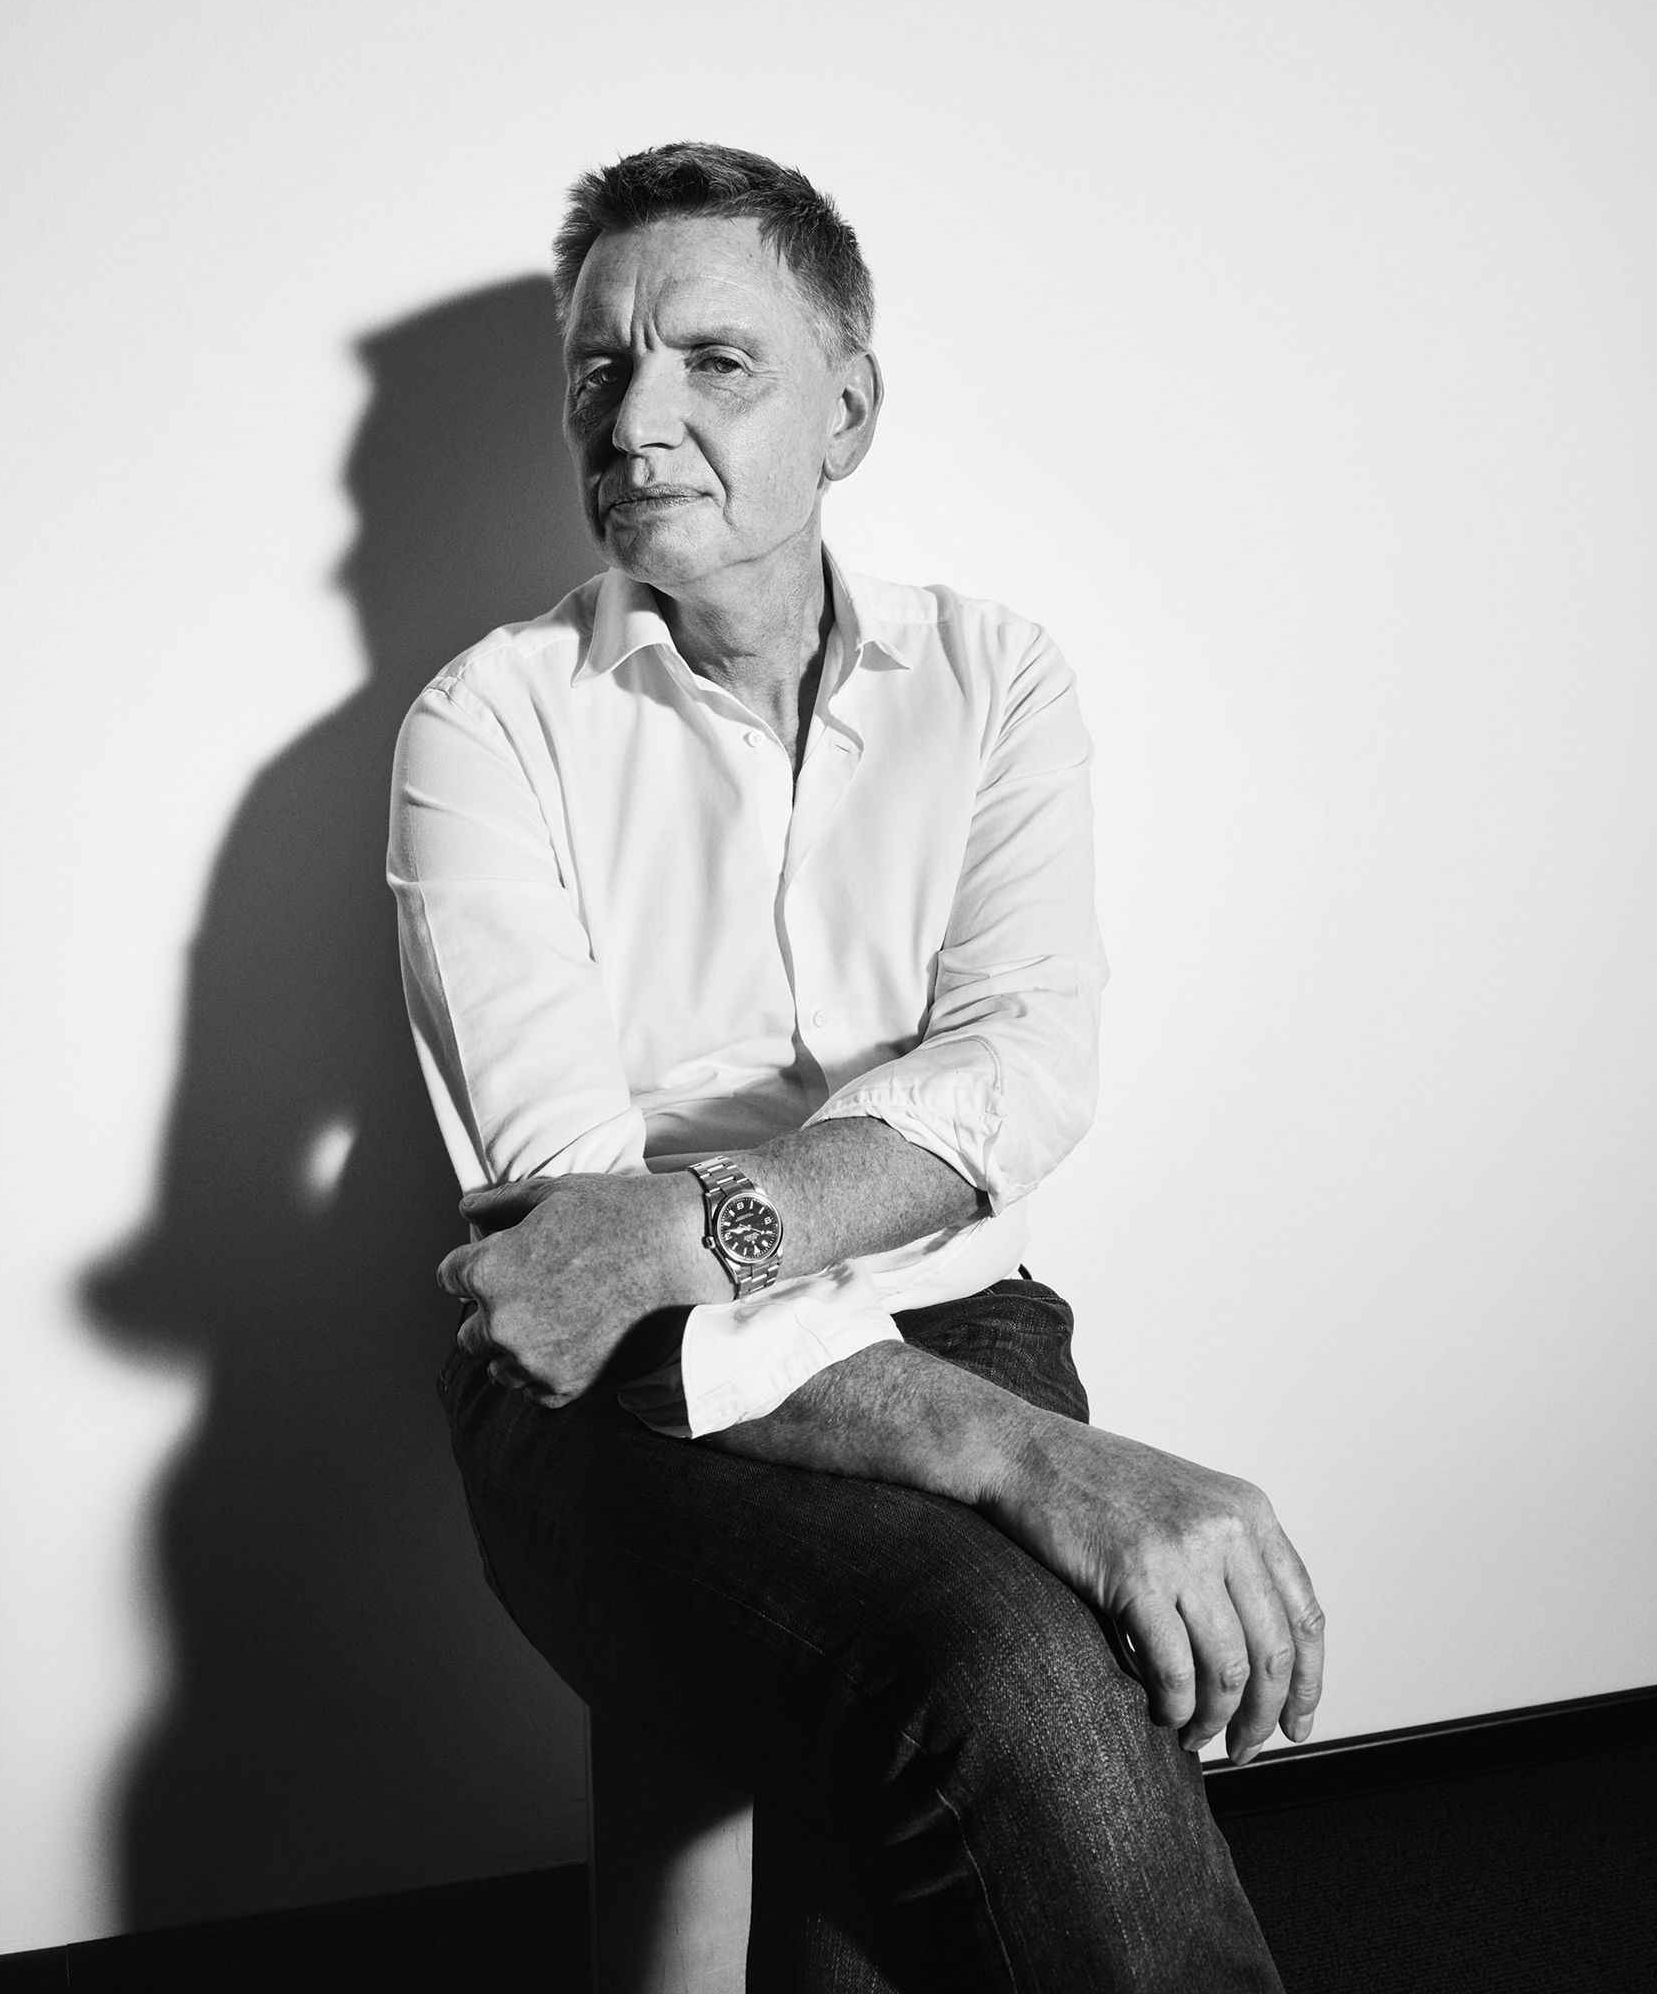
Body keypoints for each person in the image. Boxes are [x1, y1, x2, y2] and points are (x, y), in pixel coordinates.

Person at [387, 142, 1322, 1990]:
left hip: (951, 1315)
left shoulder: (997, 678)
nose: (634, 420)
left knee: (951, 1785)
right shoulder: (486, 723)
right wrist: (1039, 1465)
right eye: (599, 369)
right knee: (1011, 1668)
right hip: (592, 1394)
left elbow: (1021, 1064)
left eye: (713, 362)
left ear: (849, 410)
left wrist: (698, 1227)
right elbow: (573, 1254)